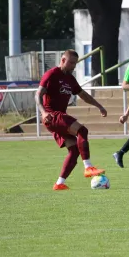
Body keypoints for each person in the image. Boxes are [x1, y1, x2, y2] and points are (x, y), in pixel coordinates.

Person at [36, 49, 107, 190]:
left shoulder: (70, 79)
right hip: (52, 115)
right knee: (82, 130)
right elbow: (37, 94)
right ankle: (88, 167)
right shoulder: (51, 74)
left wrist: (99, 106)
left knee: (74, 150)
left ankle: (59, 183)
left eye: (75, 63)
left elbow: (83, 95)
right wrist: (43, 112)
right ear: (63, 60)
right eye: (72, 63)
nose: (74, 66)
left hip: (58, 117)